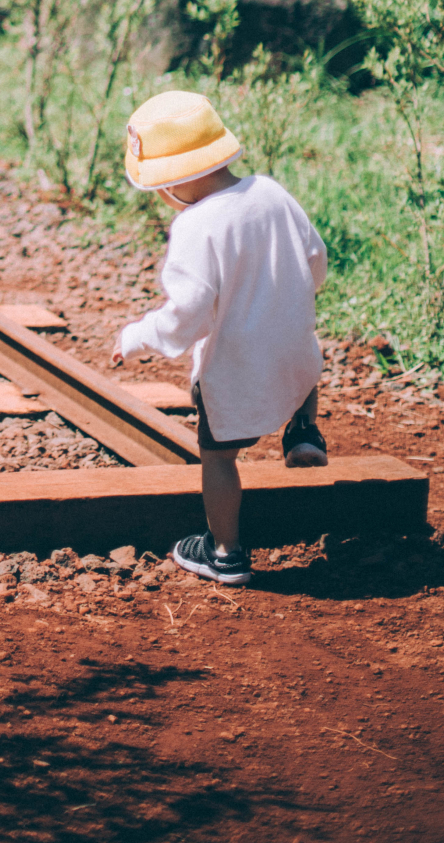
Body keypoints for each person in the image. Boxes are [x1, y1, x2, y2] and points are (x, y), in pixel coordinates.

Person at [109, 89, 329, 587]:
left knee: (219, 456)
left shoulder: (194, 226)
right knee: (303, 366)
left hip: (236, 368)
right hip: (292, 349)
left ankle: (225, 553)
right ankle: (302, 433)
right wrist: (291, 296)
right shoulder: (272, 192)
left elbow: (186, 317)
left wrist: (139, 336)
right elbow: (315, 258)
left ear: (174, 183)